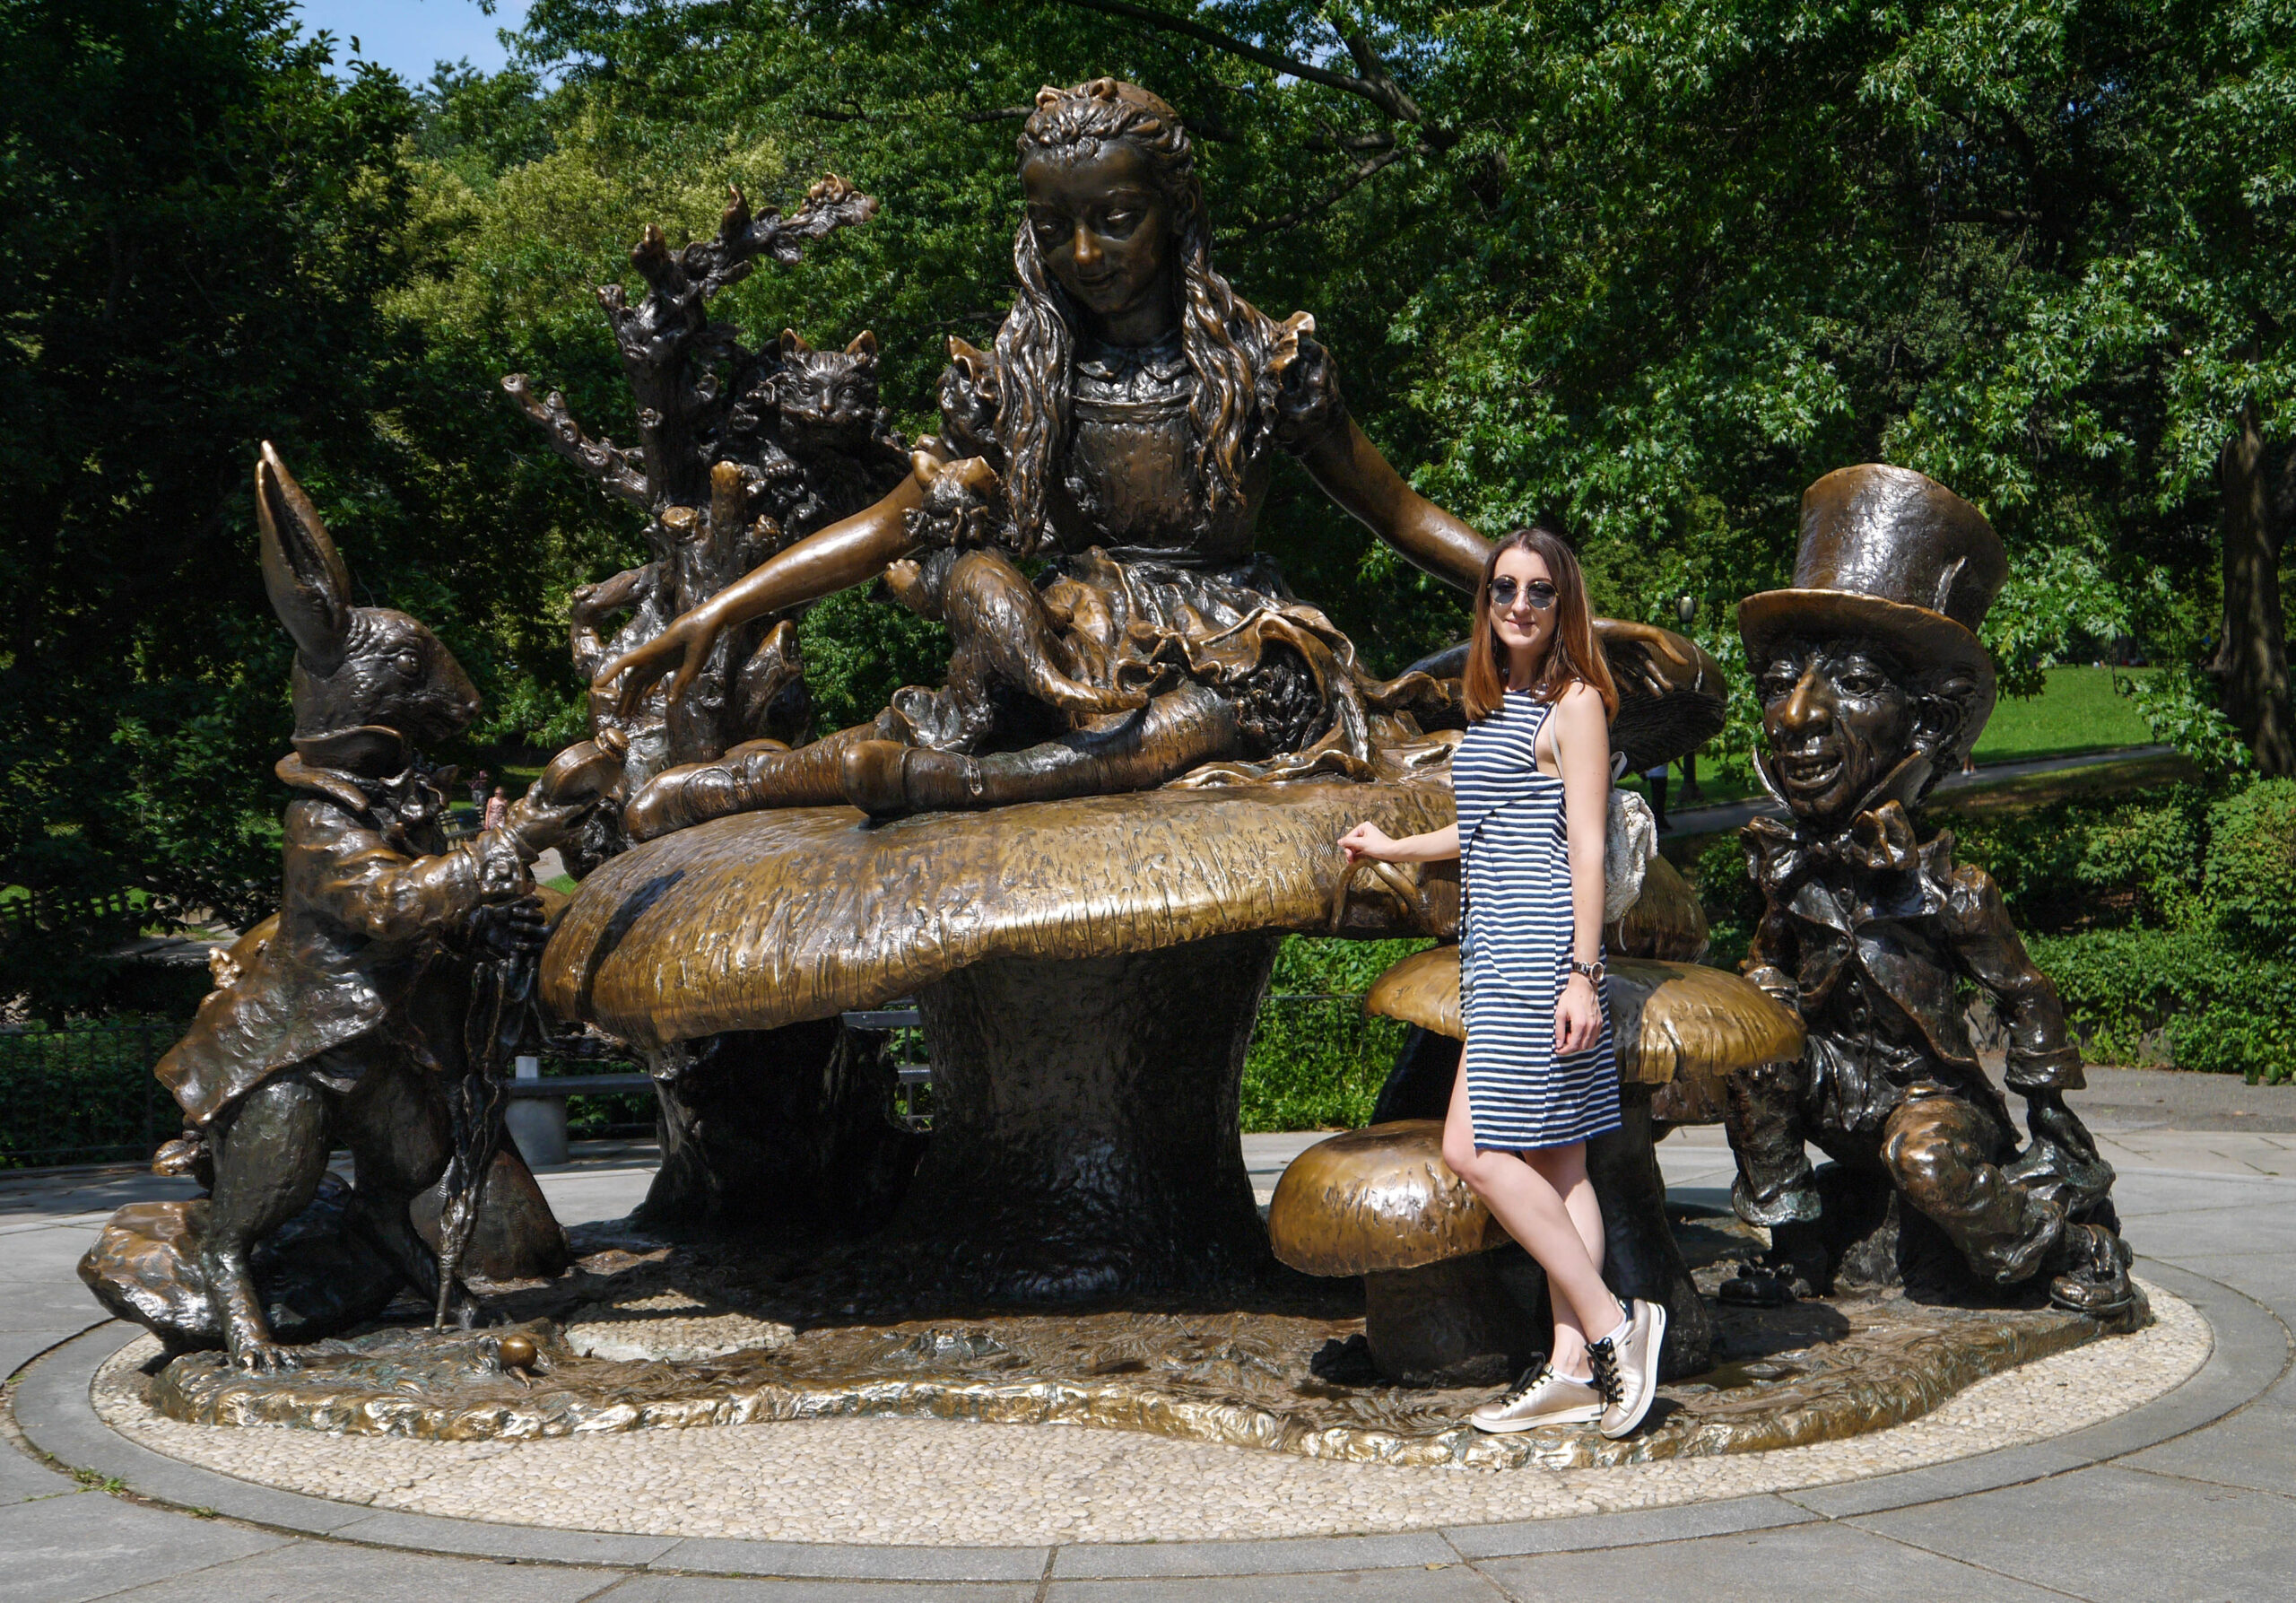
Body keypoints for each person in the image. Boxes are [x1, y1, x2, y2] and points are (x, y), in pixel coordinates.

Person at [1339, 526, 1666, 1439]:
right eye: (1502, 590)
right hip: (1490, 956)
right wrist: (1391, 847)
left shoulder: (1578, 703)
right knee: (1560, 1164)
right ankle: (1569, 1370)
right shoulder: (1496, 709)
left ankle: (1613, 1323)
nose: (1517, 605)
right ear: (1486, 605)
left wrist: (1581, 974)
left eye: (1538, 591)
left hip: (1541, 959)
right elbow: (1479, 826)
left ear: (1565, 605)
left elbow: (1589, 846)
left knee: (1470, 1150)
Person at [1643, 760, 1671, 830]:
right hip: (1661, 774)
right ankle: (1658, 822)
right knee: (1659, 799)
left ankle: (1660, 820)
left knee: (1658, 798)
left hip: (1652, 773)